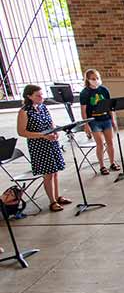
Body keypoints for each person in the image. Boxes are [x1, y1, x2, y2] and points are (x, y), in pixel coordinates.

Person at [16, 84, 70, 212]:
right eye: (38, 95)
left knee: (55, 172)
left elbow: (51, 123)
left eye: (42, 95)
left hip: (51, 142)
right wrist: (43, 135)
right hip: (38, 145)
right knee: (48, 174)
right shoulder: (24, 111)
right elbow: (22, 132)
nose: (41, 97)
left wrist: (55, 132)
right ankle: (52, 201)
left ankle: (57, 196)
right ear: (29, 96)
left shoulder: (43, 107)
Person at [79, 69, 119, 175]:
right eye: (93, 79)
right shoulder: (85, 93)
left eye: (97, 78)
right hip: (94, 121)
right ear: (88, 80)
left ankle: (112, 162)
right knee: (100, 144)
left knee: (110, 142)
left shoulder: (104, 90)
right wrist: (86, 124)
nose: (96, 80)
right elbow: (83, 110)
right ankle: (102, 165)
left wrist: (113, 120)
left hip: (106, 119)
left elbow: (110, 106)